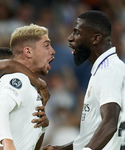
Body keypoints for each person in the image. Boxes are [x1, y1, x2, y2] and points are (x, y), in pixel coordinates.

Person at [42, 10, 125, 150]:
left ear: (96, 39)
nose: (70, 38)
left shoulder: (109, 70)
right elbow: (91, 135)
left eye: (77, 33)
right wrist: (62, 149)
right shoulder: (101, 70)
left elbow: (110, 122)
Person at [0, 24, 55, 150]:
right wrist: (8, 144)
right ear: (28, 52)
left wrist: (43, 128)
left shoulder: (32, 88)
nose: (52, 51)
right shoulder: (18, 79)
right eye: (46, 45)